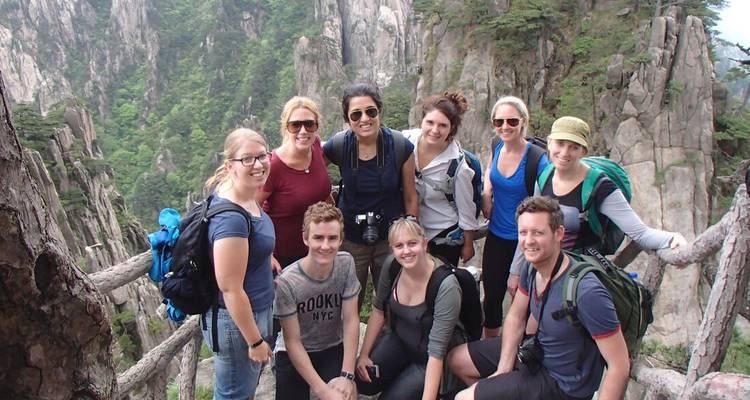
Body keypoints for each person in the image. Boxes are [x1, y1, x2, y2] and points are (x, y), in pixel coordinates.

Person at [448, 196, 630, 400]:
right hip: (536, 352)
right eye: (523, 233)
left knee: (463, 398)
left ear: (558, 233)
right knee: (457, 359)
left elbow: (619, 365)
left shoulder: (587, 292)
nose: (528, 241)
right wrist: (503, 369)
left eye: (538, 233)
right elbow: (516, 317)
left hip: (562, 384)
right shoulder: (532, 268)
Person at [506, 116, 687, 293]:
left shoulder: (599, 187)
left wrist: (671, 239)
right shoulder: (545, 175)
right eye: (560, 143)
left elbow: (639, 232)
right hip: (543, 268)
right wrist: (515, 272)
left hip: (580, 279)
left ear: (583, 151)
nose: (565, 152)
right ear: (549, 143)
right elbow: (530, 225)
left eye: (573, 147)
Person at [323, 82, 419, 309]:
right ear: (348, 120)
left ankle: (390, 342)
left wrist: (411, 233)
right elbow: (311, 172)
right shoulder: (339, 145)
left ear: (379, 111)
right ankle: (349, 343)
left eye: (370, 111)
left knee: (393, 299)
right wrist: (328, 207)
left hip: (390, 238)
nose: (364, 119)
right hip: (350, 238)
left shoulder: (399, 146)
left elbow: (410, 195)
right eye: (356, 114)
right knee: (348, 301)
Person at [201, 128, 275, 400]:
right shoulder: (231, 218)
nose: (258, 164)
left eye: (262, 155)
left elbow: (252, 244)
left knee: (245, 391)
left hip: (255, 312)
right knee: (234, 395)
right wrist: (254, 341)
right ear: (230, 166)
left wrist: (266, 259)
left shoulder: (248, 197)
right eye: (247, 159)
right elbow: (230, 287)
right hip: (238, 324)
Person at [355, 217, 463, 399]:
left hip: (429, 357)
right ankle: (400, 376)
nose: (406, 251)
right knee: (363, 381)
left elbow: (437, 352)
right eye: (399, 246)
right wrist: (364, 355)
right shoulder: (393, 266)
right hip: (400, 341)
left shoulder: (445, 285)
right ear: (392, 249)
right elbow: (379, 310)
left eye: (412, 243)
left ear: (425, 244)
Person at [273, 202, 360, 400]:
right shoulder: (288, 281)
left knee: (347, 394)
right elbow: (292, 341)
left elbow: (350, 319)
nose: (325, 246)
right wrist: (322, 390)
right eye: (318, 238)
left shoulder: (345, 264)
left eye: (332, 238)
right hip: (294, 350)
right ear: (305, 238)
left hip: (331, 345)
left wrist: (347, 375)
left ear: (341, 240)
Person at [481, 96, 549, 338]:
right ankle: (491, 348)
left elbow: (543, 208)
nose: (505, 127)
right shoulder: (496, 145)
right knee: (491, 296)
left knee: (523, 297)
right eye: (499, 122)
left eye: (511, 121)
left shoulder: (536, 159)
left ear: (523, 121)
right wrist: (487, 194)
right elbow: (490, 170)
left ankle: (524, 350)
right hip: (497, 235)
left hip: (527, 243)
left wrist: (517, 269)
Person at [403, 91, 480, 267]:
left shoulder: (457, 166)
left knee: (439, 286)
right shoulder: (406, 142)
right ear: (421, 121)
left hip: (443, 235)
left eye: (443, 125)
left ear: (451, 128)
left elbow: (466, 209)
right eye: (430, 122)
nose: (435, 130)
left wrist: (468, 244)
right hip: (411, 231)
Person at [258, 96, 332, 270]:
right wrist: (266, 254)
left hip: (318, 247)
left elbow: (319, 190)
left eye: (309, 124)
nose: (303, 131)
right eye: (295, 125)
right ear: (286, 128)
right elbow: (252, 209)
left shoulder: (316, 146)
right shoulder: (274, 165)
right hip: (284, 256)